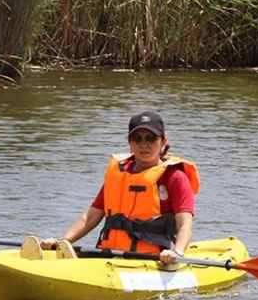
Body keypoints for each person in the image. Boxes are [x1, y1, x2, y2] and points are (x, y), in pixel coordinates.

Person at [39, 111, 199, 265]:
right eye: (137, 138)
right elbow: (90, 217)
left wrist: (176, 252)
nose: (144, 144)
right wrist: (62, 242)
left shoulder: (175, 177)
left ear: (163, 142)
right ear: (130, 143)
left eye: (151, 138)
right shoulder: (119, 173)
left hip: (153, 258)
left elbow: (185, 225)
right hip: (110, 253)